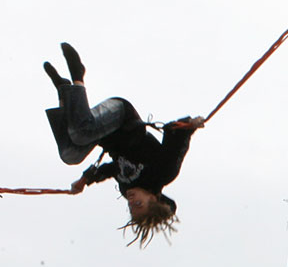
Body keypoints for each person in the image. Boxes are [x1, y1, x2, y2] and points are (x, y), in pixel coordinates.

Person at [42, 43, 205, 247]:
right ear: (154, 199)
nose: (130, 200)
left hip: (104, 135)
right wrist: (190, 125)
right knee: (81, 132)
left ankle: (64, 91)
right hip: (122, 117)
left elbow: (111, 169)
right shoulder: (164, 172)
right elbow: (175, 140)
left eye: (131, 207)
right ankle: (77, 75)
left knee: (70, 155)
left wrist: (84, 180)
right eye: (138, 204)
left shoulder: (126, 186)